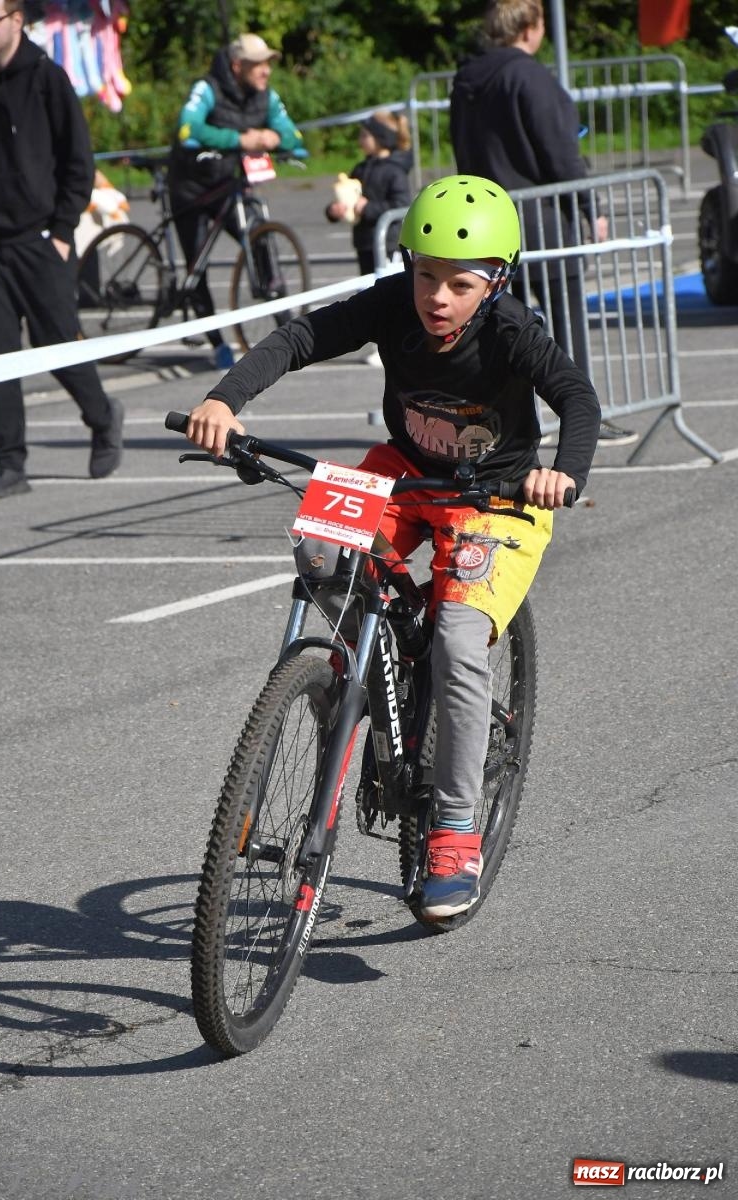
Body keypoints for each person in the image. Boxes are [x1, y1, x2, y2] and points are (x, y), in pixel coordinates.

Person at [181, 174, 601, 919]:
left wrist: (562, 473)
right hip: (404, 472)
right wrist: (223, 399)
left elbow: (577, 397)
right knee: (318, 550)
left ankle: (455, 831)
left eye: (460, 285)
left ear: (496, 282)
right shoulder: (390, 303)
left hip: (495, 497)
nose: (437, 297)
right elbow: (300, 338)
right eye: (426, 275)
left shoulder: (512, 331)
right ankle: (355, 682)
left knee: (460, 641)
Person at [0, 0, 123, 500]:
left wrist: (62, 230)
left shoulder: (47, 77)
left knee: (57, 342)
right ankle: (9, 464)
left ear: (16, 20)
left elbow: (78, 159)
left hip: (39, 239)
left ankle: (102, 416)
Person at [449, 0, 635, 445]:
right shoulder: (528, 76)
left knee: (498, 327)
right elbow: (560, 153)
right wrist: (590, 207)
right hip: (542, 218)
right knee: (567, 326)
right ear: (530, 28)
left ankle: (505, 424)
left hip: (486, 219)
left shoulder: (466, 79)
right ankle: (581, 421)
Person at [167, 32, 307, 370]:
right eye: (258, 64)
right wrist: (238, 139)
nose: (266, 71)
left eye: (268, 64)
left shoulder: (266, 96)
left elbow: (293, 135)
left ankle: (289, 330)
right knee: (196, 265)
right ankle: (217, 344)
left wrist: (275, 137)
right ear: (237, 66)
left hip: (229, 184)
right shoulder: (207, 88)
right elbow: (187, 128)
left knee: (261, 243)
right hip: (190, 185)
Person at [325, 110, 413, 277]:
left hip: (388, 243)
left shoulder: (395, 171)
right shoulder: (360, 169)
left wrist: (368, 208)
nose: (360, 141)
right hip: (364, 243)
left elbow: (401, 204)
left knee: (387, 287)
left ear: (381, 138)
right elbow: (349, 197)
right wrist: (334, 210)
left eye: (365, 136)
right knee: (368, 287)